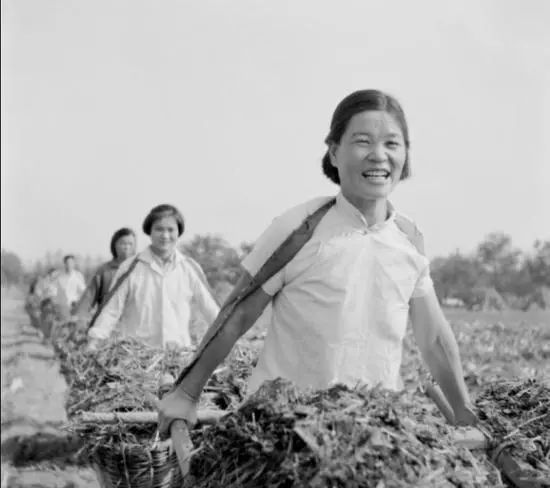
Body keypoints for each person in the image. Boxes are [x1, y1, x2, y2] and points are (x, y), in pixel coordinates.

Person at [158, 89, 478, 434]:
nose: (378, 155)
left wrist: (463, 411)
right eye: (363, 141)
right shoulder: (299, 228)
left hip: (375, 430)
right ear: (335, 152)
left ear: (406, 155)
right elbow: (237, 314)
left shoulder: (409, 238)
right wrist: (187, 393)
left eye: (392, 144)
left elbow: (432, 340)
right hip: (284, 426)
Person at [87, 204, 220, 349]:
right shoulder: (131, 267)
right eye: (159, 229)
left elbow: (211, 308)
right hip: (136, 358)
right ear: (149, 231)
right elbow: (111, 309)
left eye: (171, 230)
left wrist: (229, 338)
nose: (165, 236)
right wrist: (94, 341)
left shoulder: (189, 267)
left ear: (178, 232)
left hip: (179, 356)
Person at [72, 228, 137, 318]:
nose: (127, 247)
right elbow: (88, 297)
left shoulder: (140, 269)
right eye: (123, 243)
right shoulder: (104, 270)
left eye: (130, 244)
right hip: (107, 325)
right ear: (114, 245)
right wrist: (79, 317)